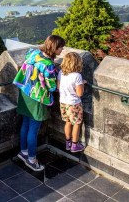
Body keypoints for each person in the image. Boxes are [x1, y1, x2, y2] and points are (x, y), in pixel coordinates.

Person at [13, 35, 65, 171]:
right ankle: (31, 159)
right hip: (37, 97)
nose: (62, 50)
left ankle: (23, 152)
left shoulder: (33, 53)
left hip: (25, 93)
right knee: (33, 129)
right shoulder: (48, 65)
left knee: (25, 123)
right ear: (55, 48)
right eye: (61, 48)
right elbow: (52, 87)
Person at [57, 52, 86, 153]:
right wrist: (82, 83)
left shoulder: (61, 72)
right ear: (77, 63)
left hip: (63, 102)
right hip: (74, 103)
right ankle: (75, 145)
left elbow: (58, 87)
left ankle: (68, 143)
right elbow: (79, 93)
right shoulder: (77, 76)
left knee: (68, 122)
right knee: (77, 123)